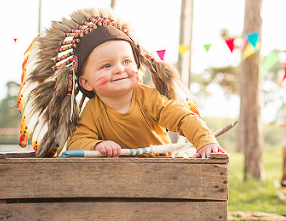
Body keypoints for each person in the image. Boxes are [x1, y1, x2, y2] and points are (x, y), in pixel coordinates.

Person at [17, 8, 224, 158]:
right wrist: (97, 145)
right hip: (118, 181)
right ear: (86, 83)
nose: (119, 69)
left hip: (161, 173)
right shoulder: (93, 111)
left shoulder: (148, 99)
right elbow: (77, 141)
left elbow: (183, 118)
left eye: (126, 61)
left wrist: (205, 141)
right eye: (106, 66)